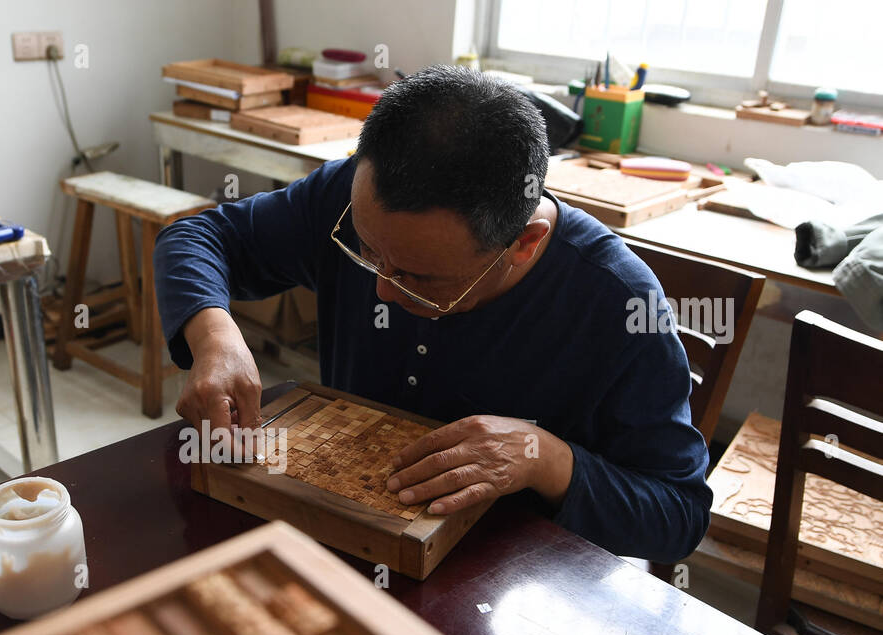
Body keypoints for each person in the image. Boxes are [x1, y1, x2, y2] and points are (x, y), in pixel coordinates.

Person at [153, 64, 711, 562]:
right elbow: (200, 235)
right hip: (340, 540)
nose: (383, 294)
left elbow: (677, 516)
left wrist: (546, 459)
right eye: (368, 253)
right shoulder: (348, 199)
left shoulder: (619, 303)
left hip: (505, 588)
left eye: (421, 279)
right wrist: (213, 335)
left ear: (523, 243)